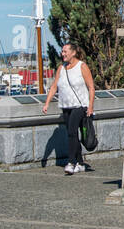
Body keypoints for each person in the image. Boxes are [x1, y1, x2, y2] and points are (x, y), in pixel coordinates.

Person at [41, 43, 96, 175]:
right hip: (66, 106)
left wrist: (90, 106)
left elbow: (91, 87)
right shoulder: (61, 68)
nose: (63, 54)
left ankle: (71, 162)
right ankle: (80, 162)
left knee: (72, 131)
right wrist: (47, 103)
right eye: (62, 52)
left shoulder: (82, 66)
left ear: (73, 53)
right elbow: (54, 86)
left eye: (65, 51)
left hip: (79, 105)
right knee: (72, 135)